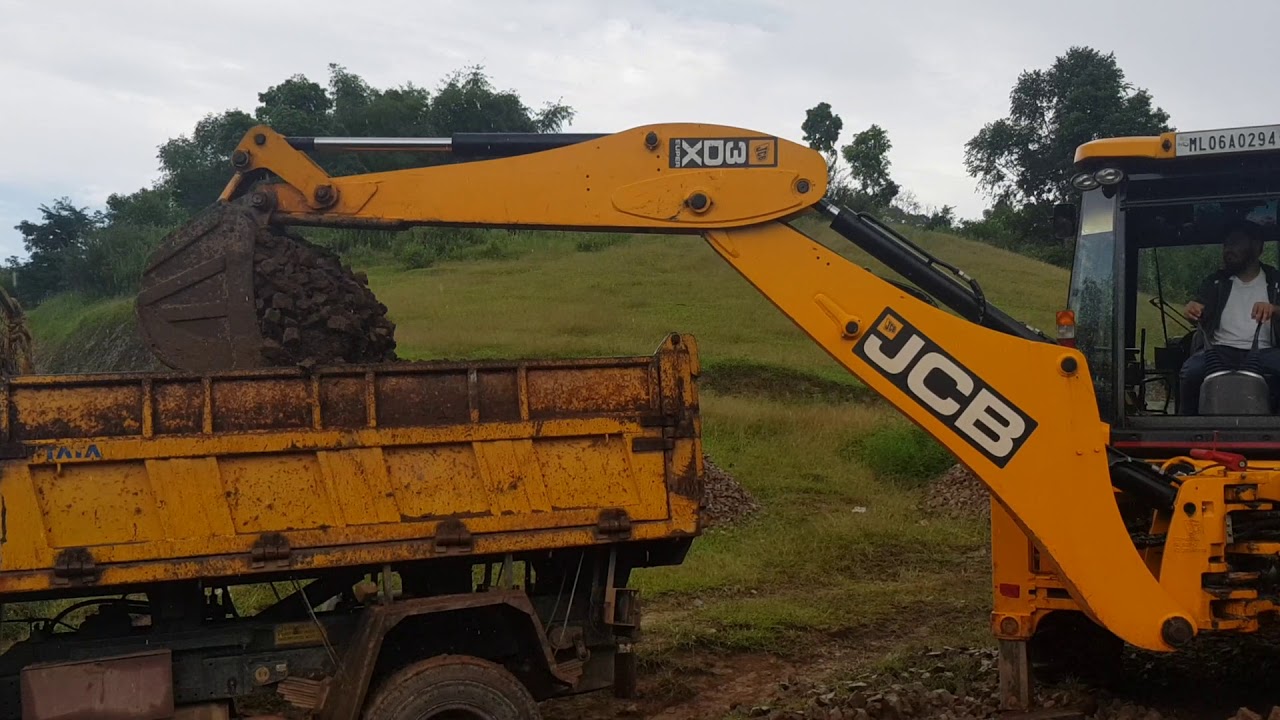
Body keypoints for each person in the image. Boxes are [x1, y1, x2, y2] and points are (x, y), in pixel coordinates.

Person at [1179, 218, 1280, 414]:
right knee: (1190, 372)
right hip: (1219, 350)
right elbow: (1198, 307)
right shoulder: (1215, 281)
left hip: (1265, 352)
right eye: (1225, 245)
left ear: (1257, 247)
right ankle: (1187, 426)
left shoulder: (1275, 279)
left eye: (1234, 243)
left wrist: (1274, 309)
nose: (1227, 250)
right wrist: (1192, 310)